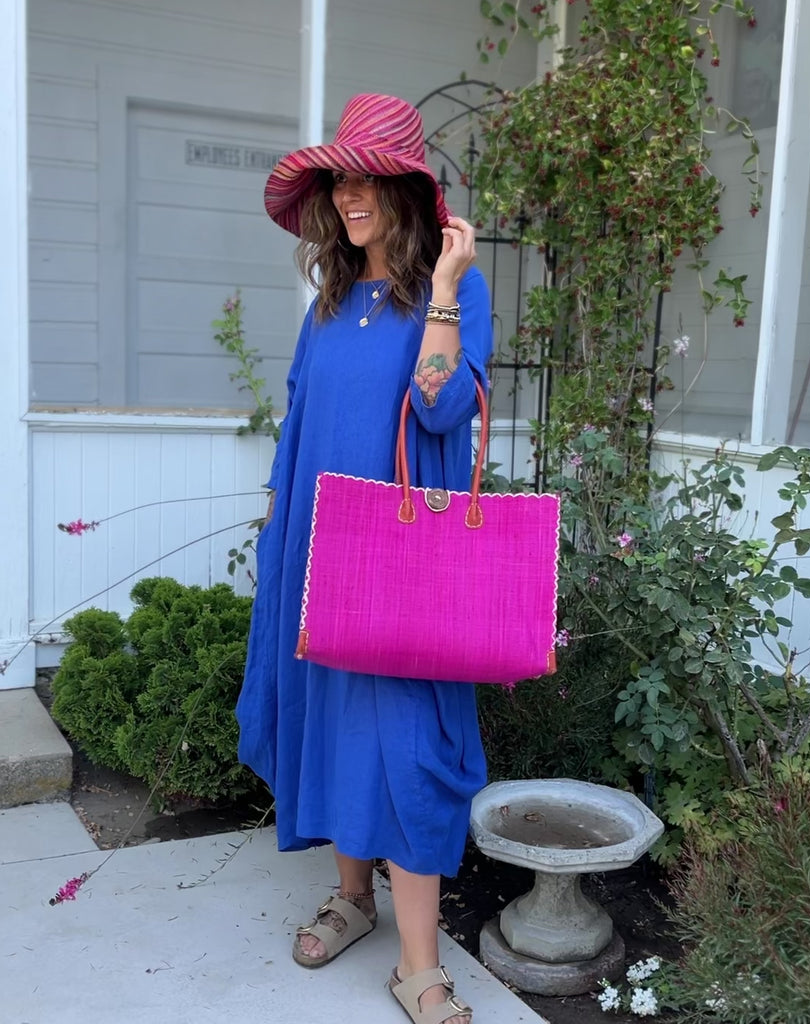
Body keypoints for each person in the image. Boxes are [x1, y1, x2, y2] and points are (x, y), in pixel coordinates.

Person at [235, 93, 493, 1024]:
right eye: (339, 181)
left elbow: (439, 406)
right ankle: (352, 898)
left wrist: (448, 284)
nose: (349, 197)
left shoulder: (453, 294)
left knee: (408, 747)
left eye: (367, 181)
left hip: (403, 559)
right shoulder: (328, 304)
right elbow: (298, 419)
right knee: (331, 721)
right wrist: (277, 528)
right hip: (314, 548)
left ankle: (418, 964)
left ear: (408, 192)